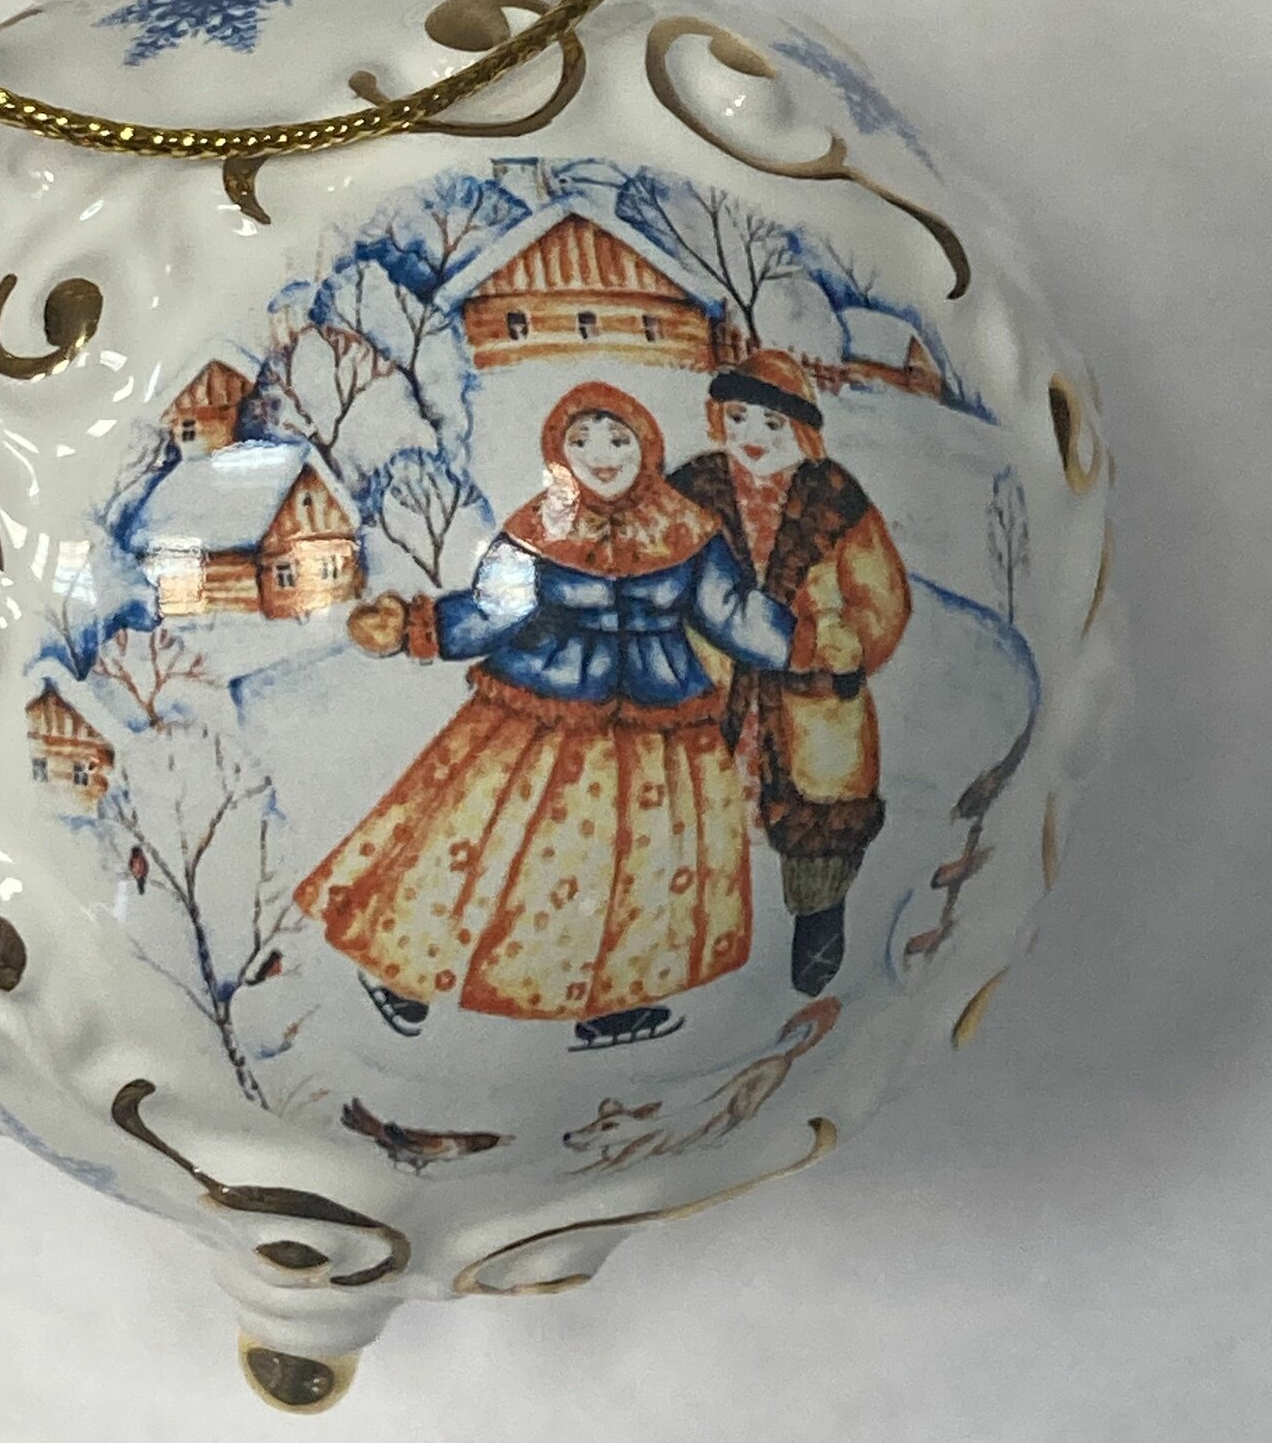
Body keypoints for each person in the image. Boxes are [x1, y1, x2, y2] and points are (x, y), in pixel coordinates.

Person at [293, 381, 796, 1050]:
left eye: (618, 439)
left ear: (646, 447)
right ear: (559, 452)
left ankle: (613, 1003)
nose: (602, 455)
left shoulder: (687, 530)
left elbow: (728, 612)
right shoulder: (535, 531)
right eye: (582, 441)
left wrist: (803, 638)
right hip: (544, 712)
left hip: (657, 724)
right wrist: (414, 627)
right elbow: (491, 611)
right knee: (478, 843)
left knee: (640, 866)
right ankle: (401, 975)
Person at [668, 351, 912, 997]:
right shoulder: (692, 489)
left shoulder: (834, 501)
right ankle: (698, 942)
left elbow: (882, 599)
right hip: (711, 688)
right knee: (696, 813)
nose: (752, 436)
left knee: (818, 820)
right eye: (737, 417)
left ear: (801, 431)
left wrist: (840, 643)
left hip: (811, 702)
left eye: (771, 424)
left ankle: (817, 925)